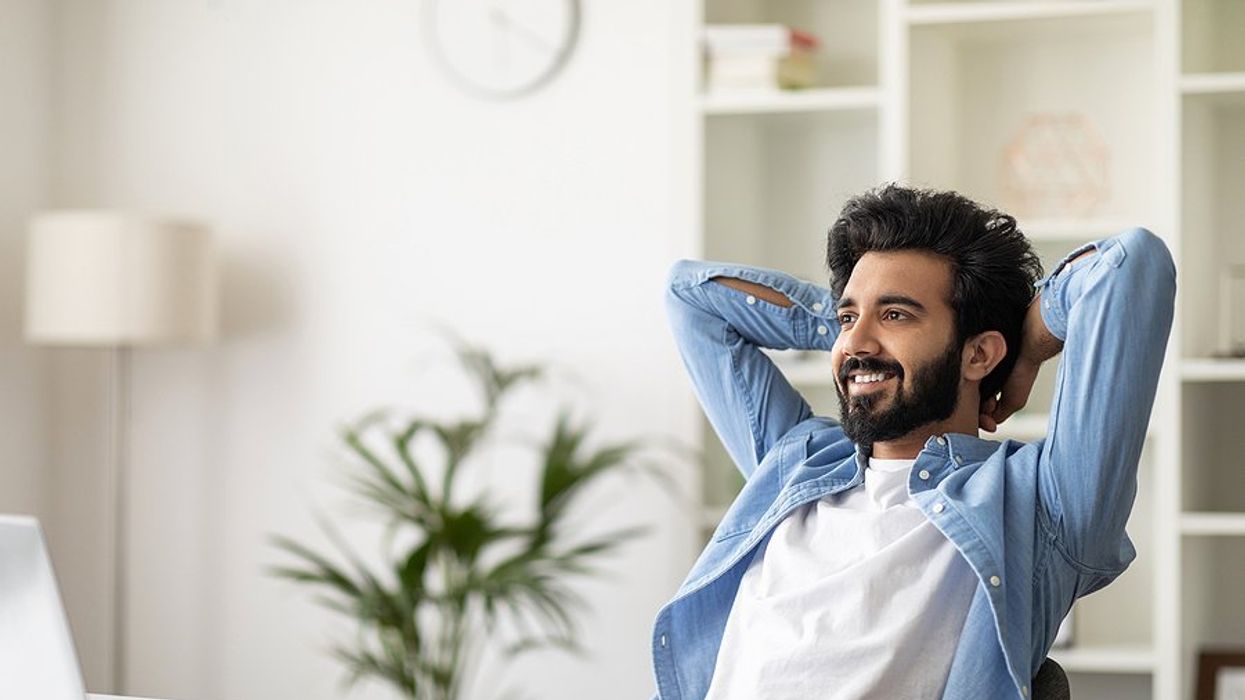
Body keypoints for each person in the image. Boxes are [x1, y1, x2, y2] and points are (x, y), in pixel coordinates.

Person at [651, 184, 1176, 699]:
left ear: (979, 355)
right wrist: (853, 331)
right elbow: (690, 295)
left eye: (896, 314)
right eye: (848, 317)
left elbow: (1129, 265)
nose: (855, 342)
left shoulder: (1039, 505)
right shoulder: (799, 461)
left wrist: (1028, 343)